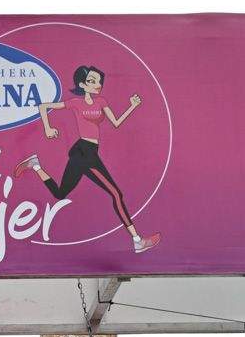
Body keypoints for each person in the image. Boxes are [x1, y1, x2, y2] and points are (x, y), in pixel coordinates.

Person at [13, 64, 160, 255]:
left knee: (59, 193)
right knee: (116, 194)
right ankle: (137, 240)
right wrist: (47, 128)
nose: (97, 84)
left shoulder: (102, 102)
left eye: (98, 81)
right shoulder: (76, 103)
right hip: (84, 152)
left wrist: (132, 106)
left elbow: (115, 123)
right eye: (92, 81)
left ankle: (36, 165)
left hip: (88, 152)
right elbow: (43, 106)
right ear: (83, 85)